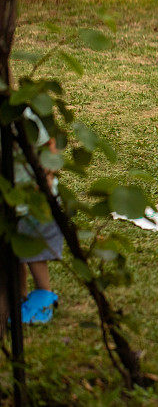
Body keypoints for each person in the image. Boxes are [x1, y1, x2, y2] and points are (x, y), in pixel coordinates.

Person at [16, 107, 63, 323]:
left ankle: (44, 294)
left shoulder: (24, 115)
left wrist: (47, 180)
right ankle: (19, 295)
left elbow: (49, 145)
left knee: (35, 254)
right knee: (12, 251)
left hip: (36, 203)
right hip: (11, 201)